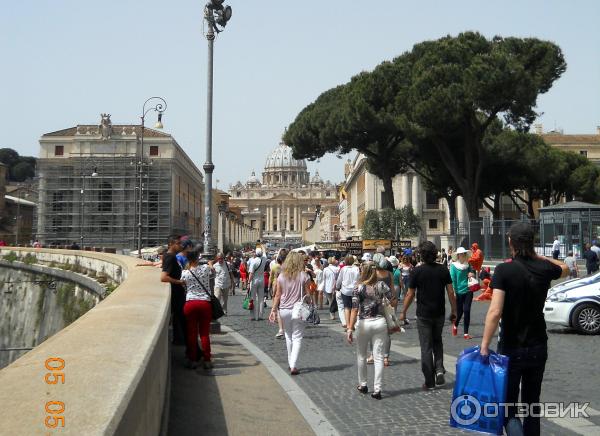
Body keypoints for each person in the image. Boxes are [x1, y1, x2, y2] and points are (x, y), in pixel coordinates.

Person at [481, 222, 568, 435]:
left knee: (509, 406)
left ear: (510, 242)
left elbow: (495, 312)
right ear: (532, 243)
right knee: (532, 404)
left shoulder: (503, 270)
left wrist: (484, 345)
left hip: (511, 345)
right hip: (538, 344)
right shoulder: (544, 268)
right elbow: (565, 268)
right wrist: (538, 257)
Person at [400, 241, 457, 390]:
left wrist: (403, 312)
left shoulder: (417, 272)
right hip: (439, 313)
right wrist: (454, 310)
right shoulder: (443, 269)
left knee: (426, 346)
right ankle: (439, 369)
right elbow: (451, 292)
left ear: (421, 255)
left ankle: (429, 381)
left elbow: (410, 294)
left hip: (423, 314)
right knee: (437, 342)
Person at [346, 261, 397, 400]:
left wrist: (350, 328)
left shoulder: (358, 288)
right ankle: (377, 389)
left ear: (363, 271)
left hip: (363, 323)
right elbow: (393, 299)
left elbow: (354, 309)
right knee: (379, 356)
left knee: (361, 355)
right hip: (380, 322)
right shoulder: (381, 285)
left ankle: (363, 384)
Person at [269, 251, 311, 375]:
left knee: (288, 335)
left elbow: (277, 295)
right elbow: (308, 294)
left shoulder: (281, 276)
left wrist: (273, 310)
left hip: (284, 310)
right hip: (298, 309)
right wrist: (309, 302)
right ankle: (293, 365)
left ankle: (290, 362)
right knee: (297, 337)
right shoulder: (304, 276)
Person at [180, 247, 214, 369]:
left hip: (190, 303)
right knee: (204, 333)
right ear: (198, 258)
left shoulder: (185, 273)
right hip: (204, 303)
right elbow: (212, 269)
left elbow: (182, 283)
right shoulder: (205, 269)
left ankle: (192, 359)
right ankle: (207, 360)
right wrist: (209, 263)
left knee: (192, 334)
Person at [160, 235, 187, 346]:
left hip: (177, 293)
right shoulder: (170, 257)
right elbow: (163, 277)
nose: (180, 245)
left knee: (178, 319)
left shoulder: (170, 256)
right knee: (180, 319)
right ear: (171, 244)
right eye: (178, 243)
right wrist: (179, 282)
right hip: (176, 293)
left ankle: (179, 340)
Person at [450, 247, 475, 339]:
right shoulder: (453, 266)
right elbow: (453, 280)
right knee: (460, 312)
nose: (463, 255)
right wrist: (454, 292)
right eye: (461, 254)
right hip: (458, 291)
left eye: (464, 254)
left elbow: (471, 274)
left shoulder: (468, 265)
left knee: (467, 310)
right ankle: (455, 325)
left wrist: (472, 274)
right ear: (458, 255)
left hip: (468, 290)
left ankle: (466, 333)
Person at [336, 254, 360, 333]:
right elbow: (359, 279)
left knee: (346, 308)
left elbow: (339, 279)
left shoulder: (343, 269)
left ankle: (348, 325)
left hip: (345, 290)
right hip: (354, 290)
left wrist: (337, 286)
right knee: (354, 308)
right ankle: (352, 325)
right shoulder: (356, 268)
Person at [247, 248, 267, 320]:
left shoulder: (253, 261)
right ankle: (260, 316)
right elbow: (264, 252)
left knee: (253, 298)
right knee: (261, 299)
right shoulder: (264, 259)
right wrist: (262, 247)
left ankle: (253, 316)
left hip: (254, 280)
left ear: (255, 253)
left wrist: (248, 282)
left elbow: (251, 273)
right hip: (262, 280)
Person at [323, 257, 340, 322]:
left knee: (330, 301)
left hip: (328, 286)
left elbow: (324, 279)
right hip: (336, 286)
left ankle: (332, 314)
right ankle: (334, 313)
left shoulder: (325, 269)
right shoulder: (338, 269)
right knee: (335, 301)